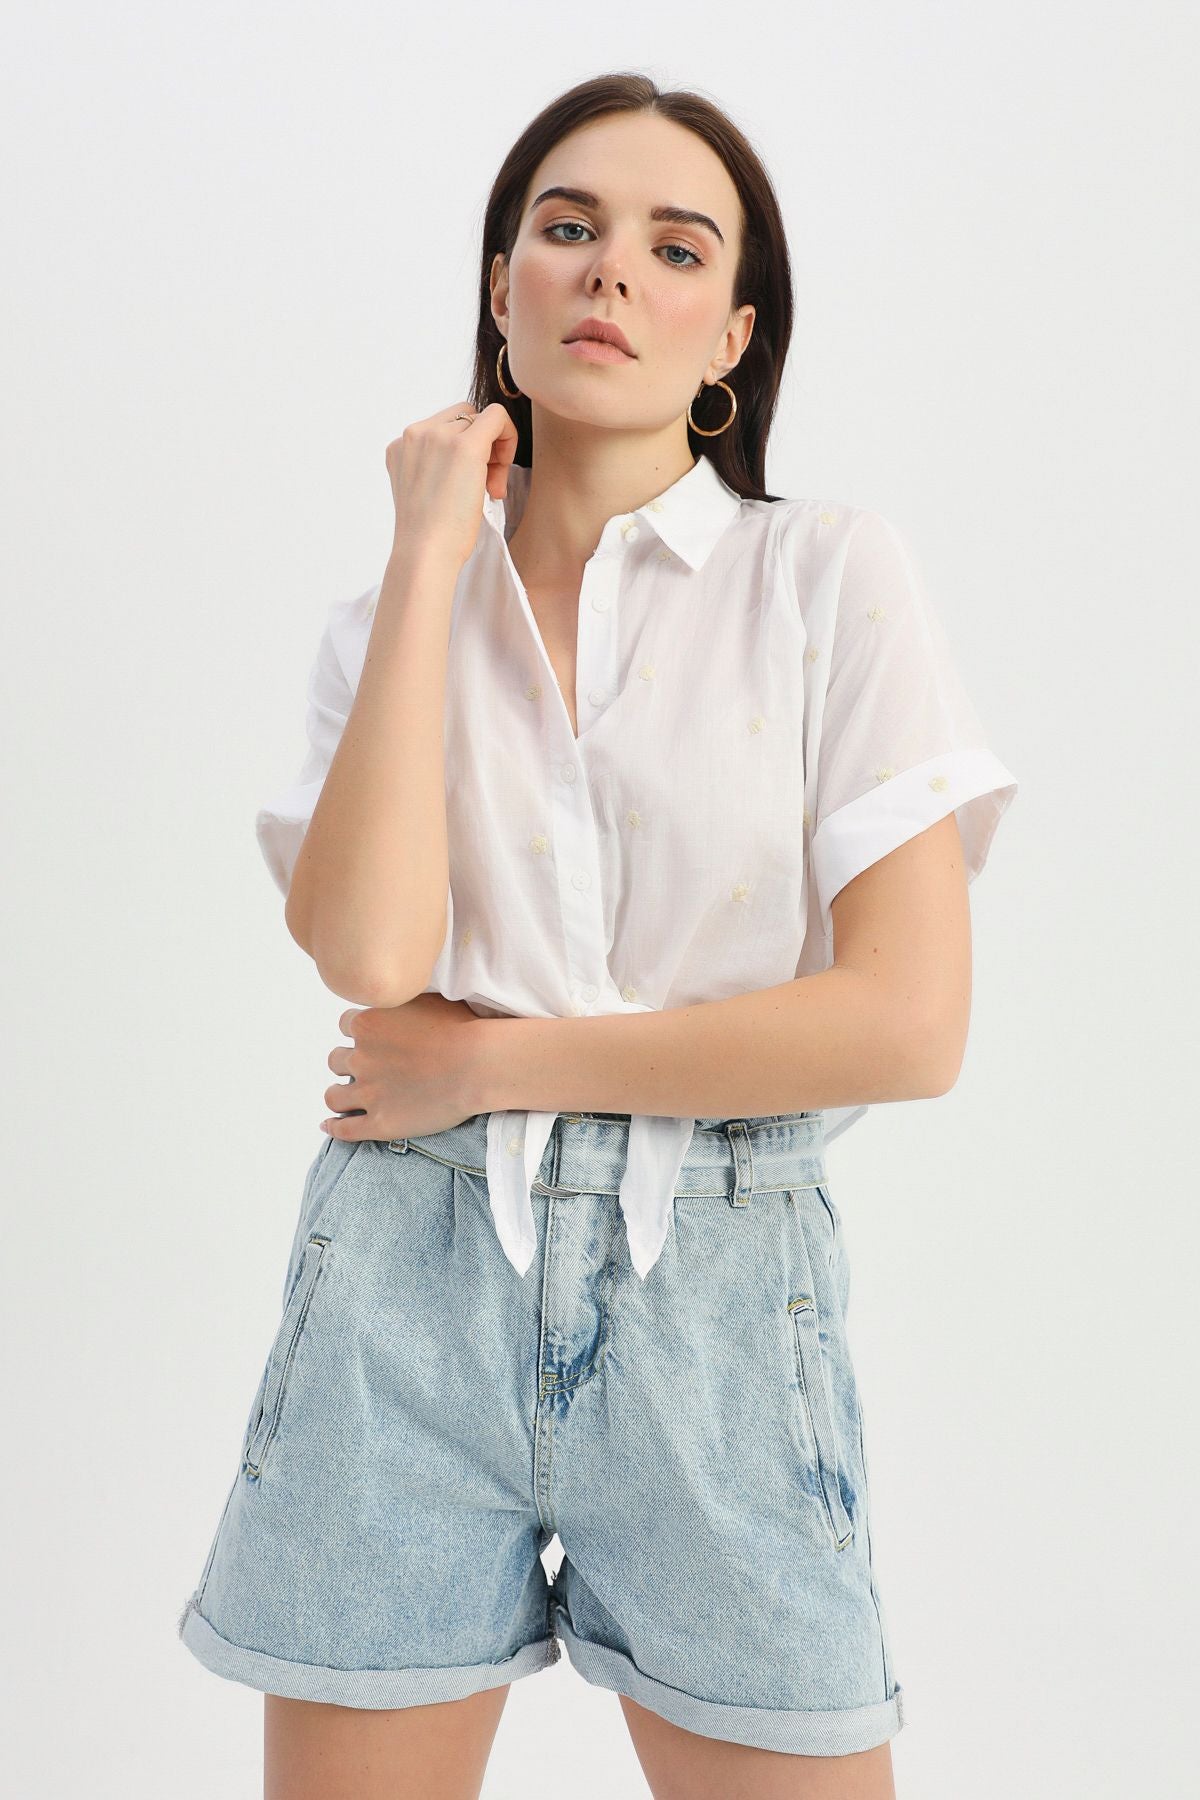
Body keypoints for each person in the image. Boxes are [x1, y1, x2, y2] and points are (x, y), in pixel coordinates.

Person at [177, 73, 1018, 1800]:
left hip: (718, 1300)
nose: (611, 270)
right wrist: (432, 554)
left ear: (733, 337)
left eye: (674, 247)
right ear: (503, 291)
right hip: (403, 1287)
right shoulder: (389, 618)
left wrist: (498, 1065)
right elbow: (369, 953)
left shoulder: (826, 578)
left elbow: (906, 1024)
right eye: (567, 230)